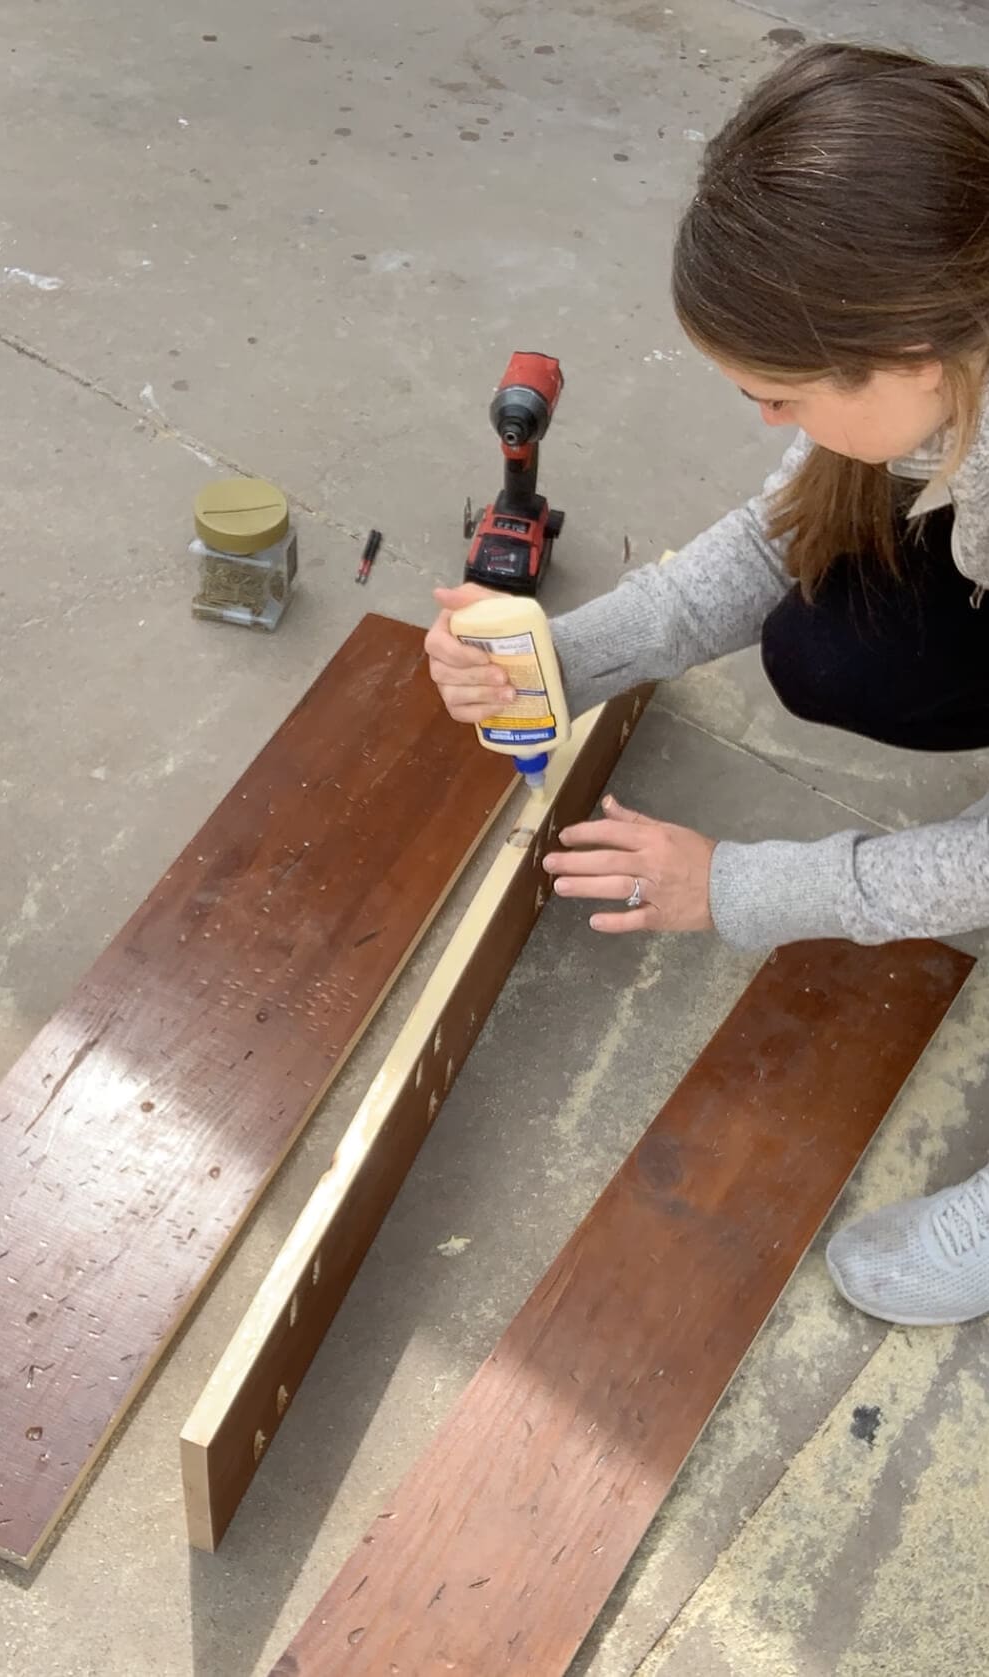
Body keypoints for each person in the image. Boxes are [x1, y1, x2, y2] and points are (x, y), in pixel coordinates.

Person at [424, 42, 989, 1331]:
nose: (765, 422)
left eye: (778, 393)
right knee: (832, 636)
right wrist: (562, 663)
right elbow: (776, 534)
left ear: (907, 355)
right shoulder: (953, 319)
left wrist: (734, 886)